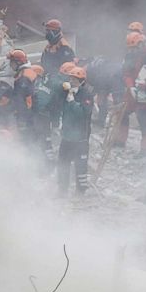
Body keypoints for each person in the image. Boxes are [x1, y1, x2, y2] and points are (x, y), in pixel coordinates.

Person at [114, 28, 146, 156]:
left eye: (134, 48)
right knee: (122, 113)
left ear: (141, 44)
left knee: (143, 118)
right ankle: (121, 141)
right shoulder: (129, 55)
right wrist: (130, 86)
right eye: (130, 49)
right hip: (131, 88)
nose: (132, 51)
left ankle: (145, 149)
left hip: (145, 89)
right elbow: (126, 72)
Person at [57, 65, 94, 196]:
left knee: (80, 166)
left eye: (75, 79)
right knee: (62, 164)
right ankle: (62, 190)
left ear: (82, 81)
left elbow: (84, 114)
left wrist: (73, 103)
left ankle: (80, 191)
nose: (72, 81)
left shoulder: (86, 95)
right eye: (71, 79)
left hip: (80, 139)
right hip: (67, 136)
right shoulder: (66, 93)